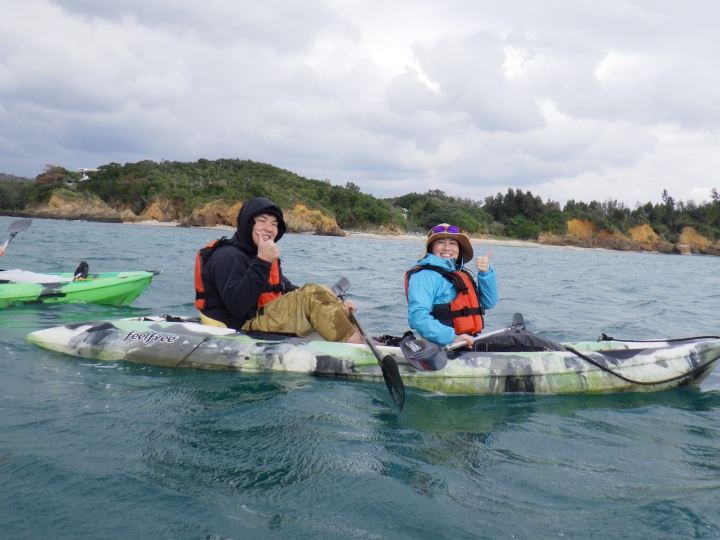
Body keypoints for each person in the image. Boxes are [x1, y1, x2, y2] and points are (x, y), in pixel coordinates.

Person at [195, 197, 367, 343]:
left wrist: (336, 305)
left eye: (274, 224)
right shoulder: (228, 256)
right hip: (240, 327)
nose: (269, 228)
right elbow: (237, 307)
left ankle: (358, 337)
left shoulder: (259, 254)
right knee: (313, 294)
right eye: (262, 221)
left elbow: (288, 290)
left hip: (261, 318)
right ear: (247, 223)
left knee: (319, 290)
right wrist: (263, 261)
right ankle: (356, 345)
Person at [405, 223, 498, 347]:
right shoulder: (424, 275)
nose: (447, 248)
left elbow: (488, 303)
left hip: (467, 342)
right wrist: (452, 338)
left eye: (453, 243)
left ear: (459, 251)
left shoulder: (460, 274)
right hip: (442, 347)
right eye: (440, 242)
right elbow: (418, 316)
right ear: (431, 248)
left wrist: (485, 274)